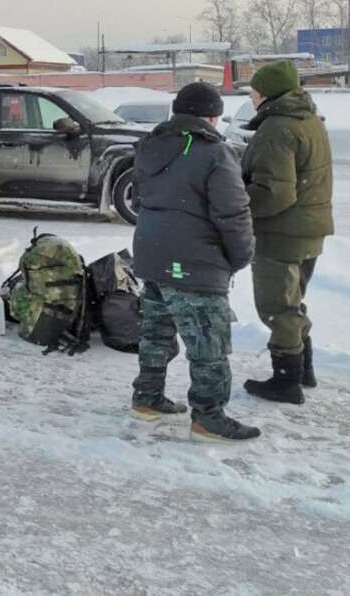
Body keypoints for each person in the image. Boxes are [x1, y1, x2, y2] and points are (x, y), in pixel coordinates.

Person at [130, 81, 260, 442]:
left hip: (152, 253)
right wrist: (241, 255)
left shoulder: (149, 144)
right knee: (209, 346)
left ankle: (146, 400)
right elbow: (233, 214)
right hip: (195, 261)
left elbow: (144, 199)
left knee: (156, 334)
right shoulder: (215, 154)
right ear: (212, 116)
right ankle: (208, 418)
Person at [241, 61, 333, 404]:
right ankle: (303, 370)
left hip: (281, 232)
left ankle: (286, 382)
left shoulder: (277, 128)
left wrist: (238, 203)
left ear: (266, 93)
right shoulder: (308, 120)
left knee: (277, 306)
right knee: (292, 302)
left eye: (253, 90)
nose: (250, 96)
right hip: (309, 229)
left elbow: (274, 192)